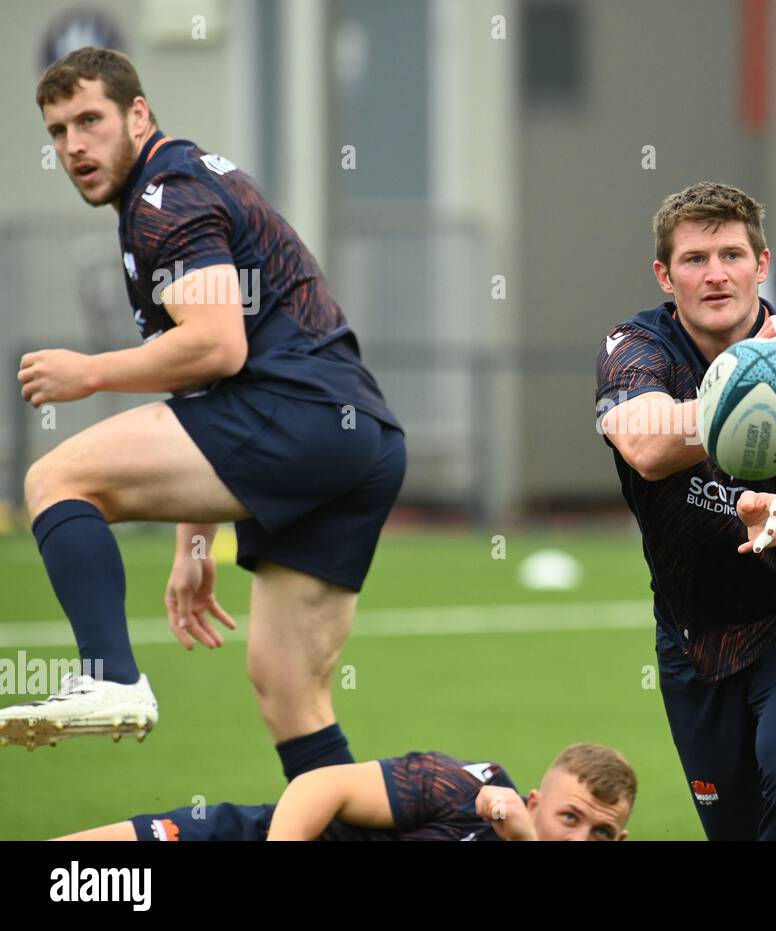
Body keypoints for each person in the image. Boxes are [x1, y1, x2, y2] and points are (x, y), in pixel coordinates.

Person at [1, 47, 405, 786]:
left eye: (90, 120)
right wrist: (195, 541)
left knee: (56, 478)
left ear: (139, 114)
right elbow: (207, 381)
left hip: (296, 416)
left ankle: (111, 678)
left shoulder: (166, 194)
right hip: (360, 442)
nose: (74, 146)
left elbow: (218, 346)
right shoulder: (177, 184)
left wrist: (88, 373)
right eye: (58, 132)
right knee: (291, 694)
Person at [594, 182, 776, 840]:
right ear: (665, 274)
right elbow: (648, 445)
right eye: (694, 259)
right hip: (695, 630)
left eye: (732, 254)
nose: (716, 274)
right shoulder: (634, 347)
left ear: (762, 264)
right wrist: (751, 377)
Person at [54, 743, 637, 842]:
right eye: (568, 818)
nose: (579, 839)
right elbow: (320, 785)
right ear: (533, 803)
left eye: (601, 834)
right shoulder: (457, 790)